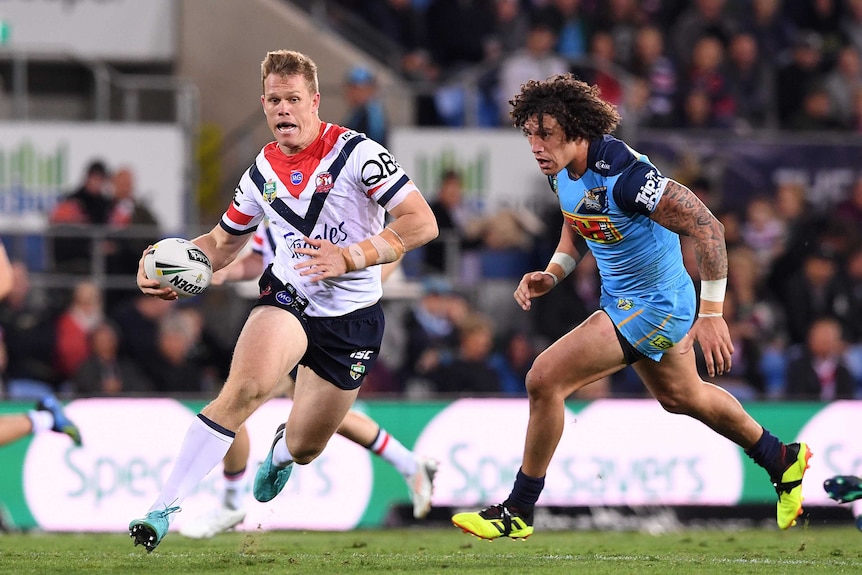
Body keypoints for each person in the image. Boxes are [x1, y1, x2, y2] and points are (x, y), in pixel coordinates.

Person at [451, 74, 811, 541]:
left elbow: (708, 228)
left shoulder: (627, 176)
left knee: (544, 378)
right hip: (624, 300)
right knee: (683, 397)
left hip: (657, 304)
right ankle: (781, 459)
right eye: (531, 135)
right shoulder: (563, 171)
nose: (537, 146)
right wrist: (553, 273)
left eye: (547, 135)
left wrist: (713, 314)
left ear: (577, 131)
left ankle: (518, 509)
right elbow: (577, 223)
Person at [128, 49, 438, 553]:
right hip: (288, 300)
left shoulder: (359, 154)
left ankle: (280, 454)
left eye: (293, 99)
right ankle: (161, 509)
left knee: (306, 445)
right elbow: (223, 244)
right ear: (265, 104)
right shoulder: (260, 171)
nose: (283, 109)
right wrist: (172, 262)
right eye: (274, 100)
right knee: (244, 391)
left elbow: (422, 223)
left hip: (352, 320)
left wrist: (351, 256)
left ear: (315, 101)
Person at [178, 221, 438, 539]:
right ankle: (410, 464)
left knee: (240, 407)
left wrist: (355, 286)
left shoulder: (338, 205)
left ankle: (231, 503)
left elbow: (395, 244)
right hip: (286, 316)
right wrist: (223, 272)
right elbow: (258, 258)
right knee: (268, 410)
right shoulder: (275, 206)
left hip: (324, 324)